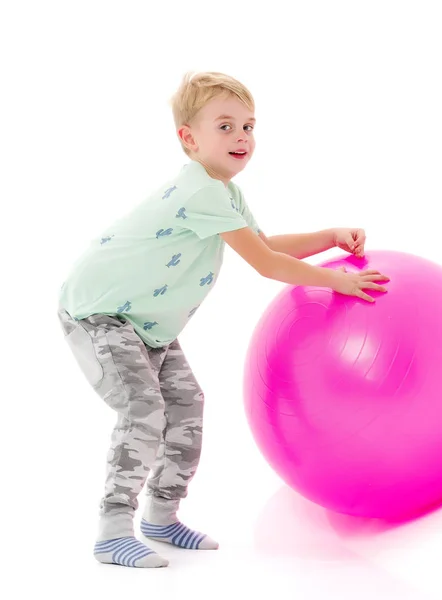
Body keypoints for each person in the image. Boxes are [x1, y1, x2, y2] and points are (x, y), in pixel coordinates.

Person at [57, 71, 389, 568]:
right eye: (226, 126)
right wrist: (337, 282)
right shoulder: (200, 190)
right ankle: (111, 532)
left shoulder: (224, 193)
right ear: (188, 139)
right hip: (101, 313)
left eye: (249, 126)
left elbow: (265, 244)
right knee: (144, 408)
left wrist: (329, 236)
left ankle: (161, 519)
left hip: (148, 324)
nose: (242, 138)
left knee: (187, 405)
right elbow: (265, 265)